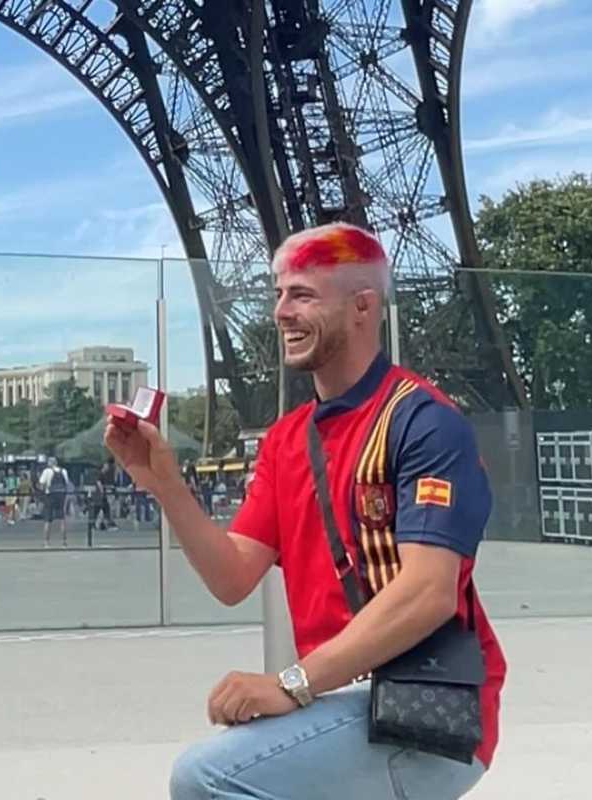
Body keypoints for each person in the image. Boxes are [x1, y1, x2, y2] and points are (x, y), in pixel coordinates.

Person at [105, 222, 506, 800]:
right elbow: (232, 576)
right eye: (278, 293)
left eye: (303, 294)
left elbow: (428, 592)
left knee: (205, 778)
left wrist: (291, 685)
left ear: (363, 307)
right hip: (346, 695)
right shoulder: (287, 439)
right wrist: (166, 484)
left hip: (428, 710)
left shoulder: (425, 422)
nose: (281, 312)